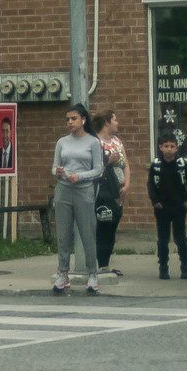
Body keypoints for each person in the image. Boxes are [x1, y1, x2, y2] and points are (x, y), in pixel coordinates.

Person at [51, 103, 104, 295]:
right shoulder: (62, 142)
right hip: (64, 190)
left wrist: (80, 176)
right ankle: (63, 274)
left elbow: (98, 169)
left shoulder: (93, 142)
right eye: (67, 119)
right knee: (63, 234)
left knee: (87, 232)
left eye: (73, 119)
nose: (70, 122)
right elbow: (54, 167)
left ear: (83, 120)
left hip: (84, 191)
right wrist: (58, 172)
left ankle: (92, 274)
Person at [147, 132, 187, 280]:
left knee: (180, 238)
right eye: (166, 146)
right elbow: (151, 185)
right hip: (162, 207)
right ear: (160, 147)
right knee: (163, 239)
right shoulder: (156, 165)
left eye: (172, 146)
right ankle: (163, 267)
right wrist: (155, 200)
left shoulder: (182, 165)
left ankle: (185, 266)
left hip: (179, 206)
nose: (169, 149)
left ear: (177, 148)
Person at [93, 110, 130, 277]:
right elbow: (91, 168)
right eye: (115, 120)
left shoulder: (117, 141)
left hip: (118, 191)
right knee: (103, 226)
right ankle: (99, 264)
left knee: (113, 227)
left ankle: (106, 264)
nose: (117, 122)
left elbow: (126, 165)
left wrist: (127, 185)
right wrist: (108, 161)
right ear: (107, 122)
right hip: (103, 191)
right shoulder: (95, 142)